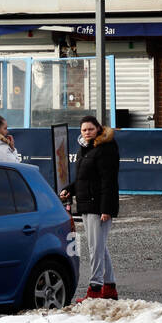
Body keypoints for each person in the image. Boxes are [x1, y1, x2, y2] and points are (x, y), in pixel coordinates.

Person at [59, 115, 120, 301]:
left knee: (95, 248)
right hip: (86, 204)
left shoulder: (106, 148)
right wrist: (69, 189)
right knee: (100, 247)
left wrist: (106, 209)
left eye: (90, 129)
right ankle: (109, 288)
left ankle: (95, 289)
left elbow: (108, 181)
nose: (87, 133)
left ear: (98, 129)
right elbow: (83, 179)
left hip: (98, 207)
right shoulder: (85, 148)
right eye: (84, 130)